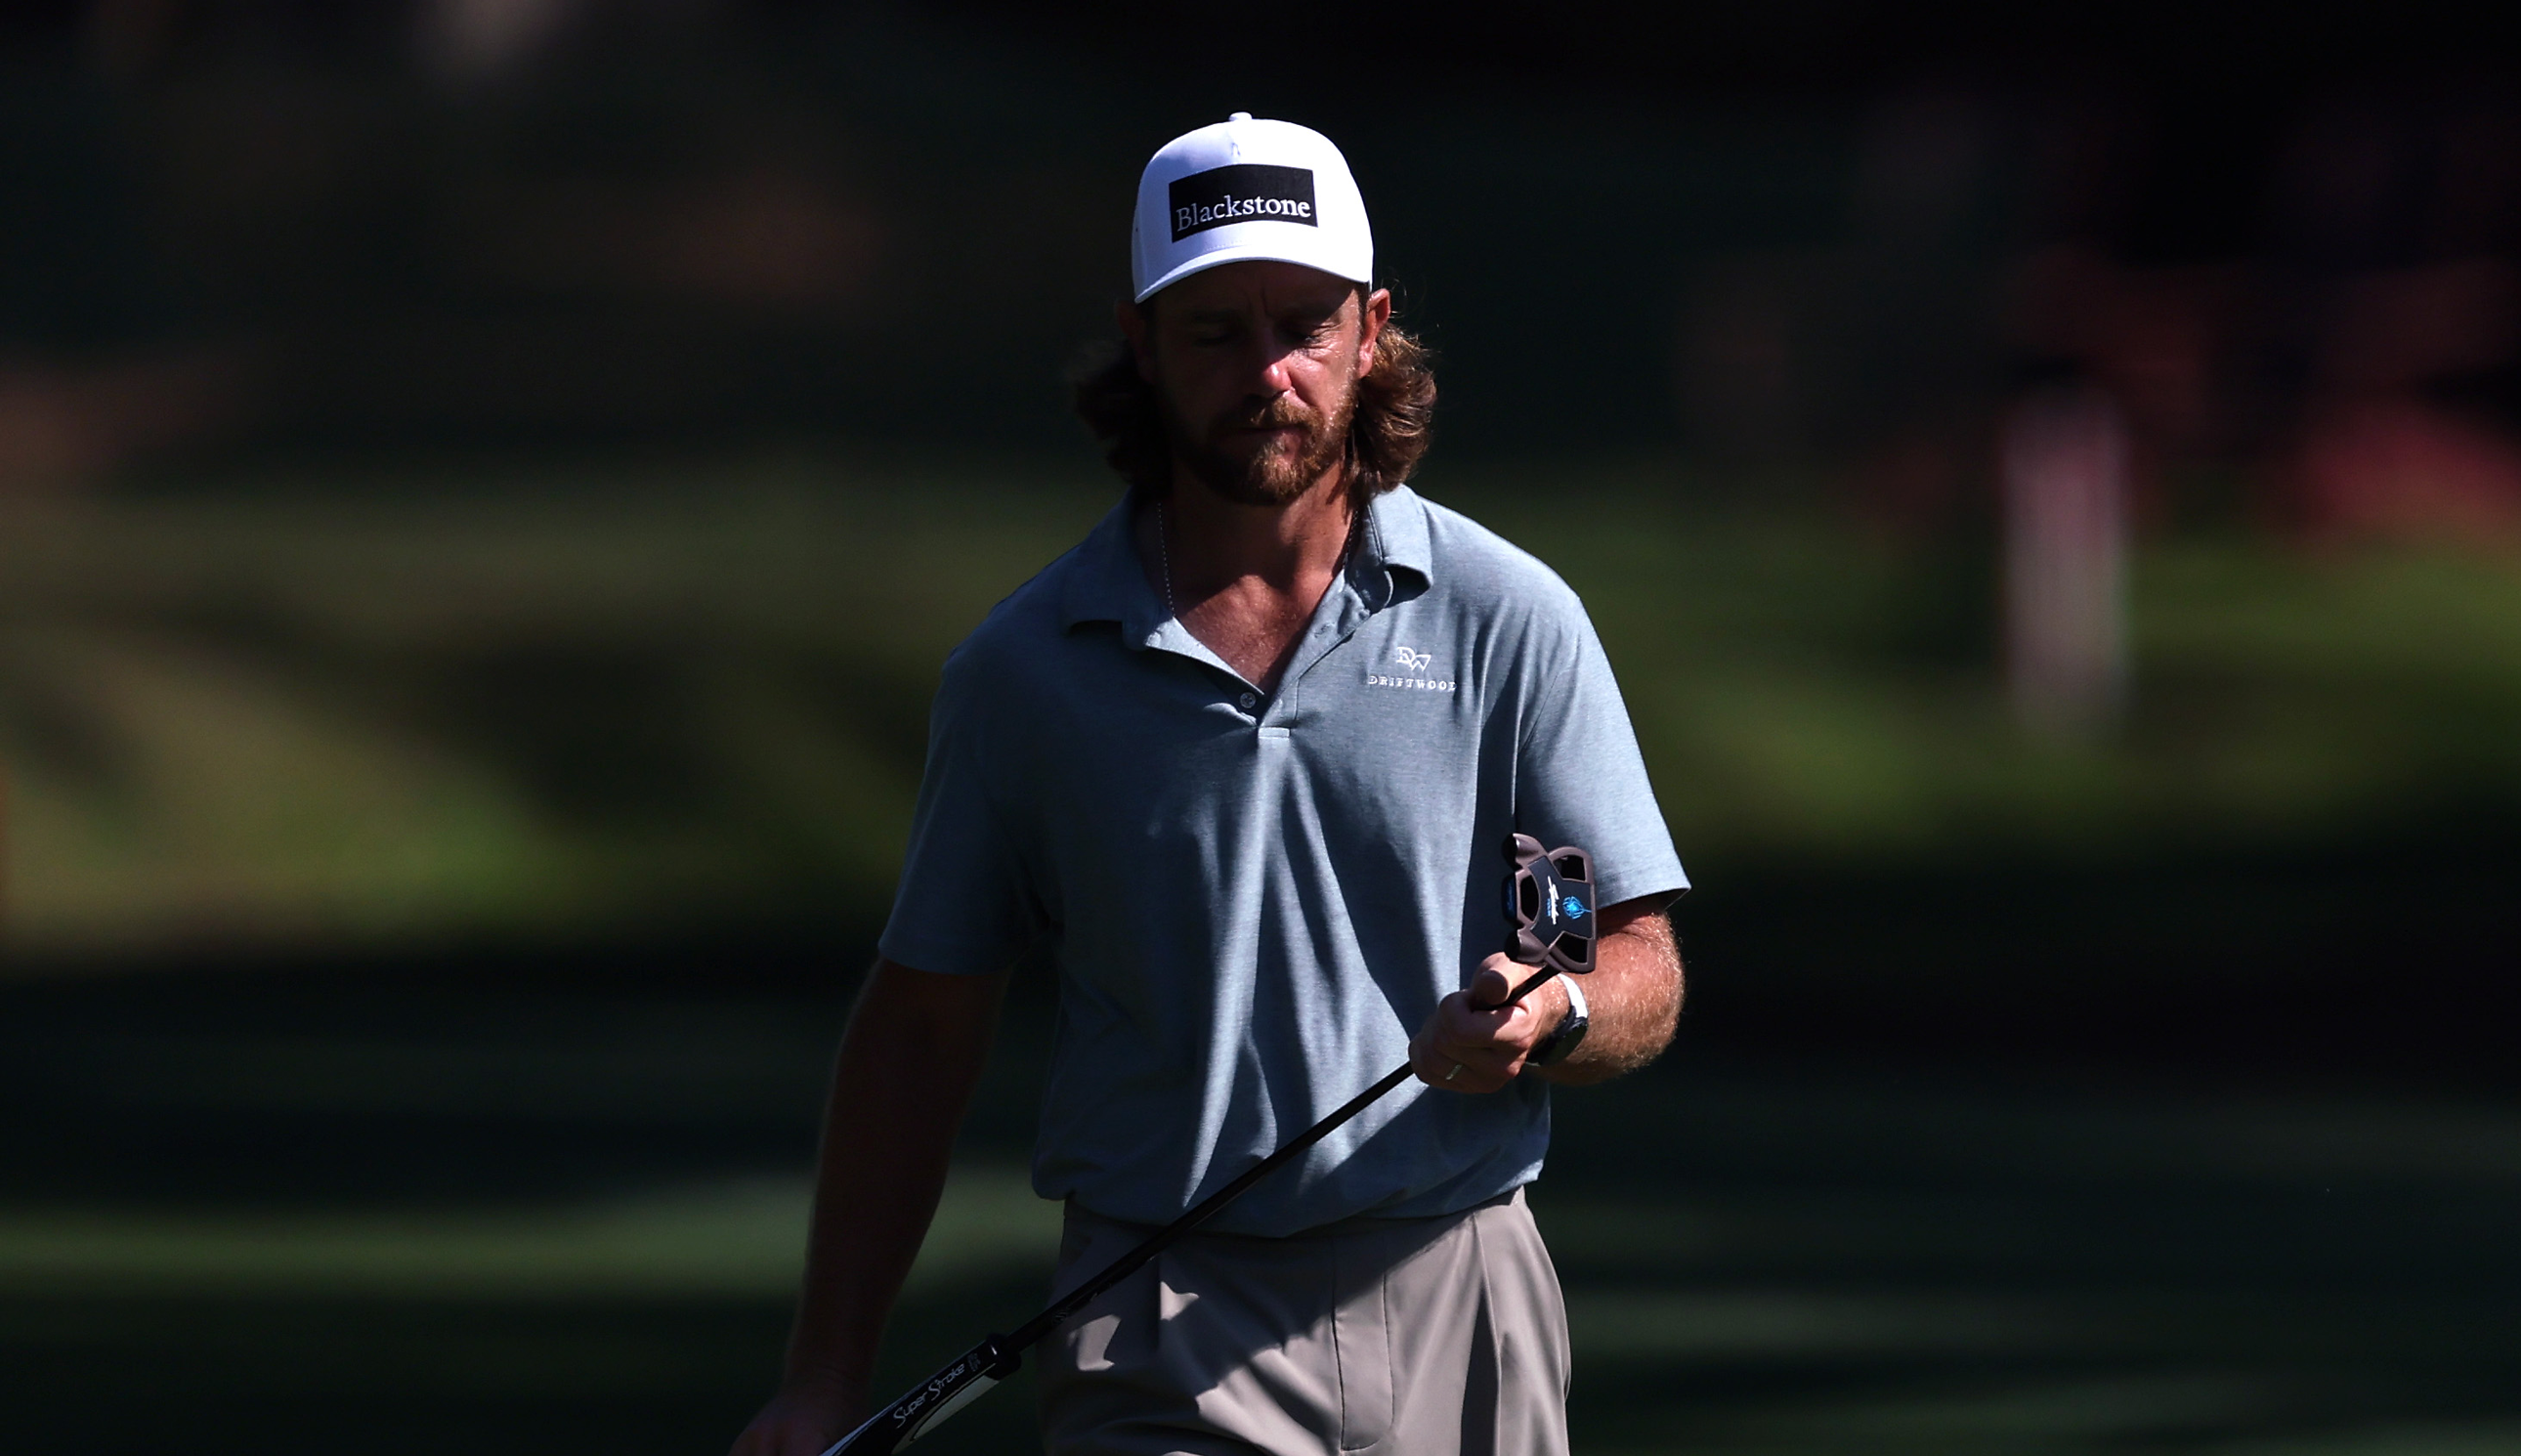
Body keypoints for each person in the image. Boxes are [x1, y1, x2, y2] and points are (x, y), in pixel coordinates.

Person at [733, 113, 1687, 1456]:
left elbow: (1639, 955)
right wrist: (823, 1378)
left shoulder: (1507, 618)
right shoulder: (1024, 671)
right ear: (1142, 342)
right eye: (1213, 331)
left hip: (1465, 1290)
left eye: (1303, 323)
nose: (1267, 371)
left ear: (1371, 330)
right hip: (1169, 1321)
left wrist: (1563, 1006)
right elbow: (920, 1031)